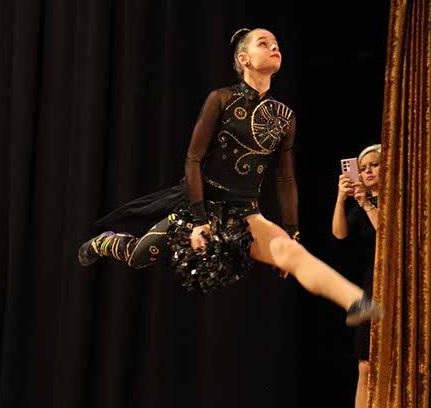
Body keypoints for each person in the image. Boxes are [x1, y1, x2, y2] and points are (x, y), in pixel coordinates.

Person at [78, 28, 383, 327]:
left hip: (245, 213)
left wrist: (292, 231)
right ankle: (105, 243)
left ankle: (356, 301)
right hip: (200, 204)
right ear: (244, 58)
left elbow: (285, 179)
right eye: (263, 43)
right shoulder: (222, 99)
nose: (274, 47)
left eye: (276, 43)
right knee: (140, 256)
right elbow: (193, 159)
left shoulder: (284, 117)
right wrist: (199, 219)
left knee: (293, 253)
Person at [331, 144, 381, 407]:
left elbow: (387, 234)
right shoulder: (360, 203)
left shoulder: (394, 200)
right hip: (370, 285)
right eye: (362, 168)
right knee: (365, 365)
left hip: (393, 284)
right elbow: (339, 233)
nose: (368, 171)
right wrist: (341, 199)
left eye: (374, 165)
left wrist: (366, 203)